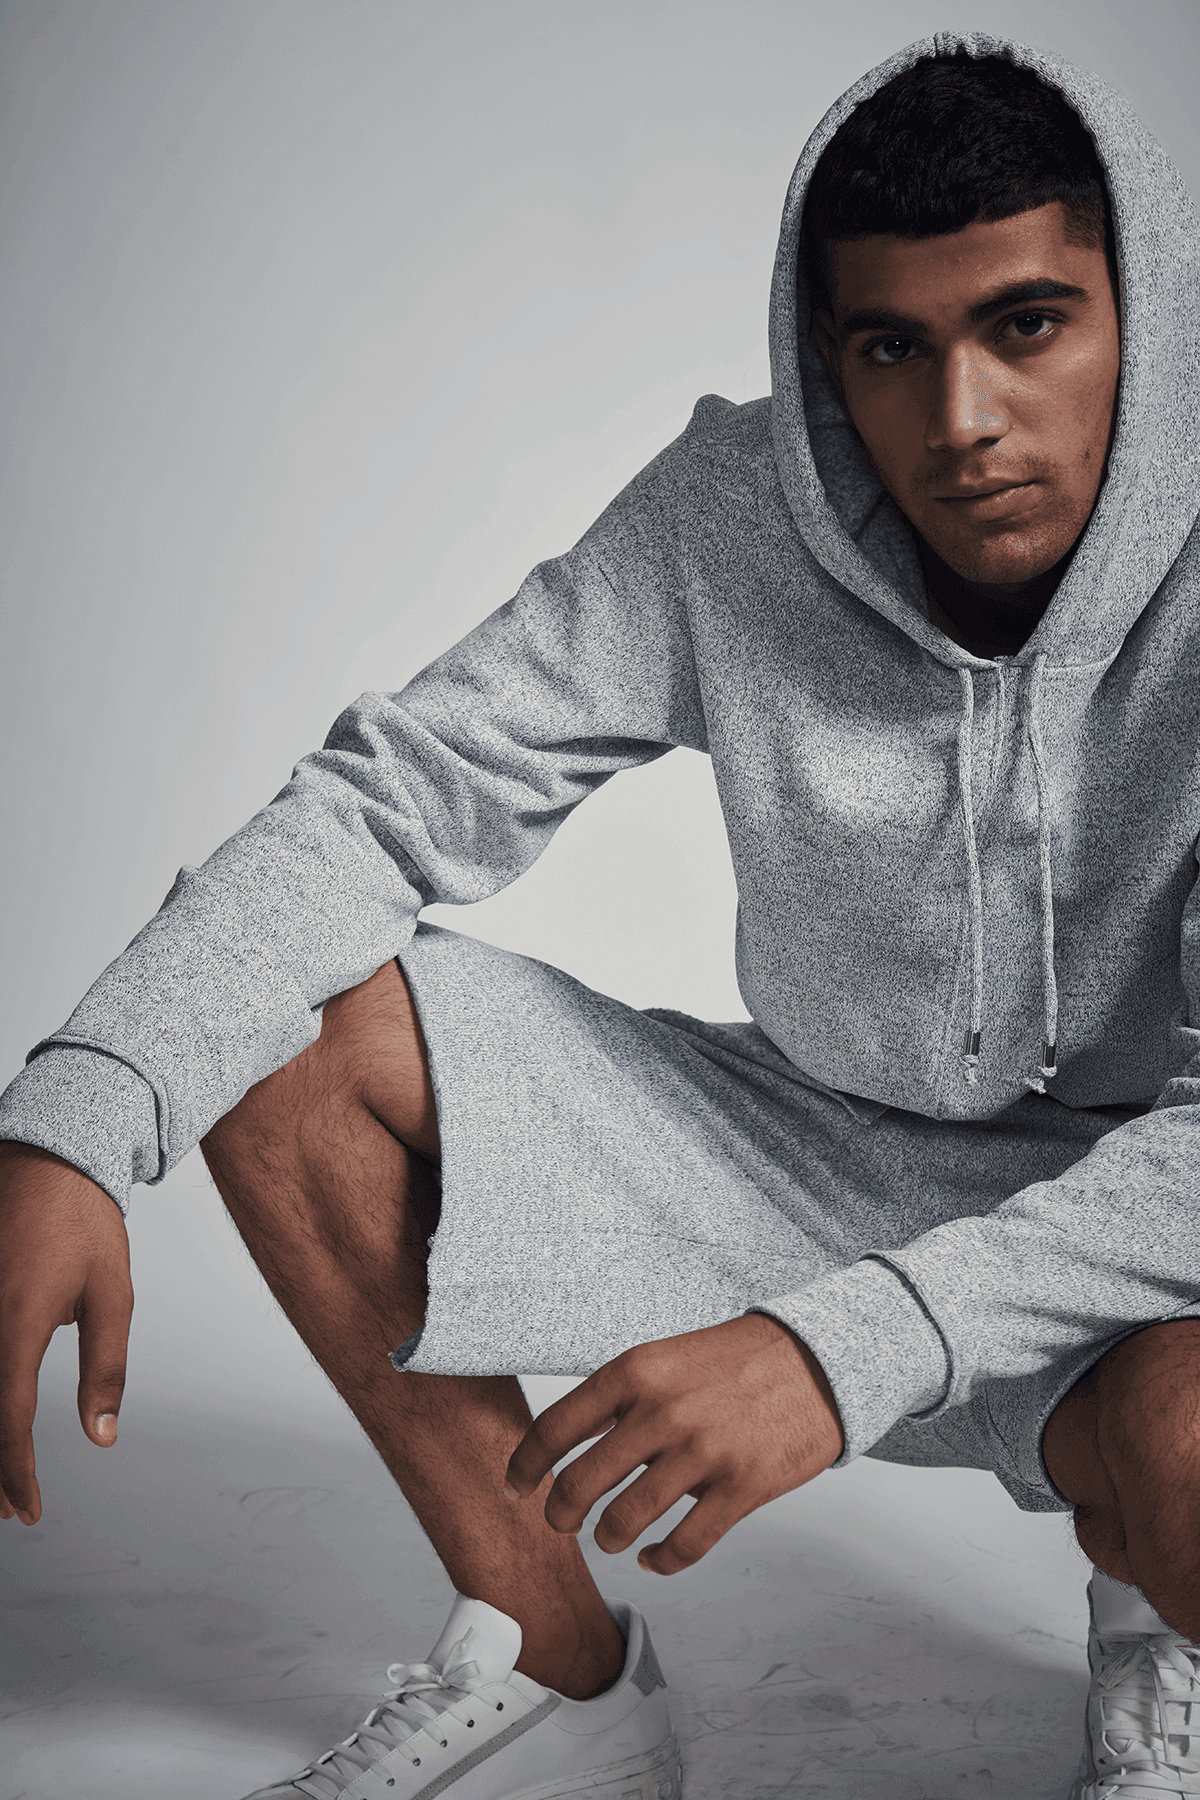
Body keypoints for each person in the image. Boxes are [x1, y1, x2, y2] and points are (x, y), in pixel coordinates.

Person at [2, 28, 1199, 1800]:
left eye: (1027, 324)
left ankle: (1161, 1618)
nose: (961, 420)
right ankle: (562, 1670)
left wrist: (835, 1350)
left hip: (1150, 1233)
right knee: (292, 1021)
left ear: (1143, 313)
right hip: (816, 1153)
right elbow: (391, 796)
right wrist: (73, 1119)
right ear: (826, 362)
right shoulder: (735, 514)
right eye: (892, 347)